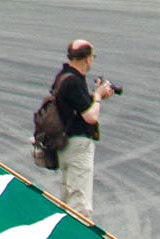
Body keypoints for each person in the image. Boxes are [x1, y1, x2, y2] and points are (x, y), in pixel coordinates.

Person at [46, 40, 117, 221]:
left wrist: (95, 97)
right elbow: (90, 117)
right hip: (77, 145)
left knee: (69, 195)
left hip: (64, 143)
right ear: (87, 59)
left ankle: (68, 231)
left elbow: (78, 106)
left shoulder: (63, 77)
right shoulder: (74, 82)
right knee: (79, 200)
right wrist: (98, 97)